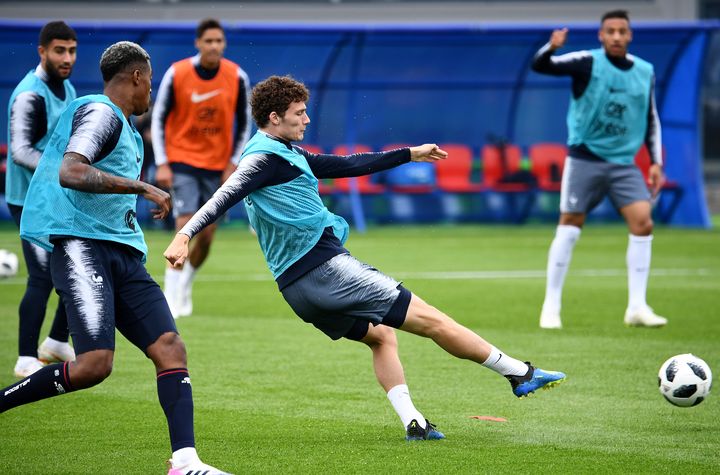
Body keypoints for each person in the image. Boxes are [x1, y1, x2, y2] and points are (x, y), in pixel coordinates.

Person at [164, 75, 566, 441]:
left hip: (296, 289)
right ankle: (519, 373)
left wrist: (409, 153)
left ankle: (414, 422)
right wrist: (185, 234)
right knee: (432, 320)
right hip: (326, 270)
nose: (307, 119)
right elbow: (225, 194)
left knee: (382, 336)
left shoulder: (284, 152)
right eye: (299, 113)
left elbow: (347, 165)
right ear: (274, 117)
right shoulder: (261, 158)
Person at [3, 41, 230, 474]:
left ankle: (185, 461)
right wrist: (141, 187)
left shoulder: (123, 124)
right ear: (138, 77)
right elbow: (71, 170)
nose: (152, 92)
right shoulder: (102, 111)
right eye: (151, 82)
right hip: (82, 248)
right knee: (93, 366)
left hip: (123, 253)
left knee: (170, 347)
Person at [532, 10, 667, 330]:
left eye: (623, 31)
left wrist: (656, 161)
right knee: (570, 223)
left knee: (643, 223)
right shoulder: (587, 62)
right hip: (585, 159)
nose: (617, 36)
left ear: (630, 35)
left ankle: (637, 306)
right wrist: (551, 47)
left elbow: (650, 118)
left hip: (624, 164)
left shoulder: (644, 71)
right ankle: (551, 305)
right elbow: (540, 65)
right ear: (601, 36)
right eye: (611, 31)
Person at [152, 18, 251, 318]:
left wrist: (234, 162)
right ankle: (170, 297)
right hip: (182, 161)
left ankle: (185, 285)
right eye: (208, 41)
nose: (214, 46)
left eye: (219, 41)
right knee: (184, 226)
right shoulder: (177, 73)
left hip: (218, 166)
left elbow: (244, 124)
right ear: (198, 43)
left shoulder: (236, 77)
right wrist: (162, 162)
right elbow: (158, 118)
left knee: (206, 237)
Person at [5, 21, 77, 378]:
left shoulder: (68, 89)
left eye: (72, 50)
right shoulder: (29, 94)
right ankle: (24, 356)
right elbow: (20, 151)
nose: (67, 58)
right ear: (42, 52)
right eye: (59, 50)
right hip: (28, 202)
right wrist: (64, 172)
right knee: (41, 277)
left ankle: (57, 341)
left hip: (57, 200)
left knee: (73, 267)